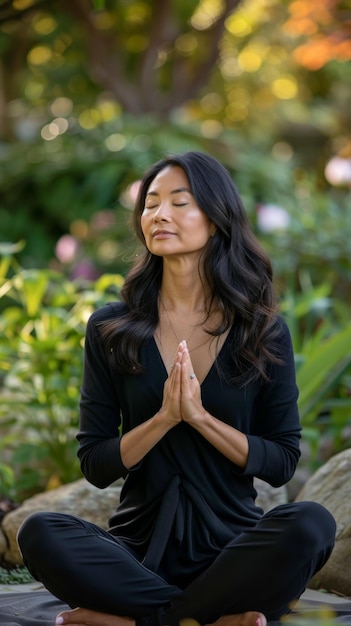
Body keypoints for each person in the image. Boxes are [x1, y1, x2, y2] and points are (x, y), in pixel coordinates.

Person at [17, 151, 336, 626]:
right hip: (137, 553)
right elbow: (96, 464)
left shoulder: (261, 331)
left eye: (179, 202)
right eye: (150, 203)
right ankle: (199, 618)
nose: (158, 215)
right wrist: (165, 419)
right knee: (40, 530)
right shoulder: (112, 327)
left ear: (216, 217)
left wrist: (201, 419)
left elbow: (282, 461)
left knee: (312, 523)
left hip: (233, 555)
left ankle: (142, 618)